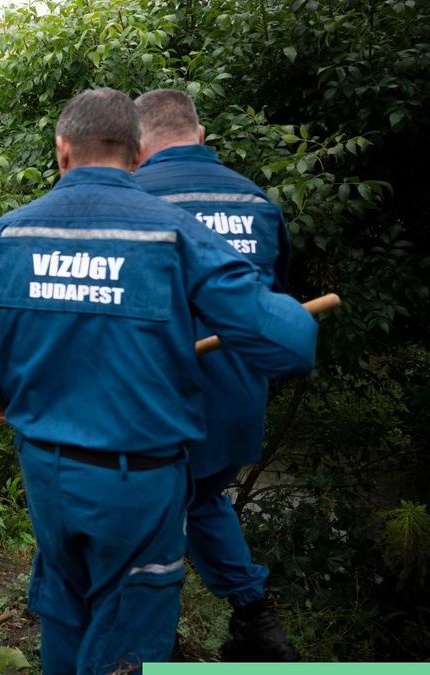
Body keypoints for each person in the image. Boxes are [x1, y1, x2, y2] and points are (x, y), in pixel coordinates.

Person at [0, 87, 318, 674]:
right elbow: (288, 342)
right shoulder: (176, 235)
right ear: (136, 156)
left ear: (61, 152)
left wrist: (5, 392)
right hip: (140, 484)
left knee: (66, 612)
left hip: (47, 474)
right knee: (127, 637)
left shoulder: (6, 235)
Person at [134, 88, 299, 662]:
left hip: (157, 403)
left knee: (145, 520)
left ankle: (155, 648)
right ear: (200, 136)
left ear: (136, 147)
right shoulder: (256, 201)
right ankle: (256, 620)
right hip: (235, 402)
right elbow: (271, 308)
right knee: (204, 499)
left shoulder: (131, 200)